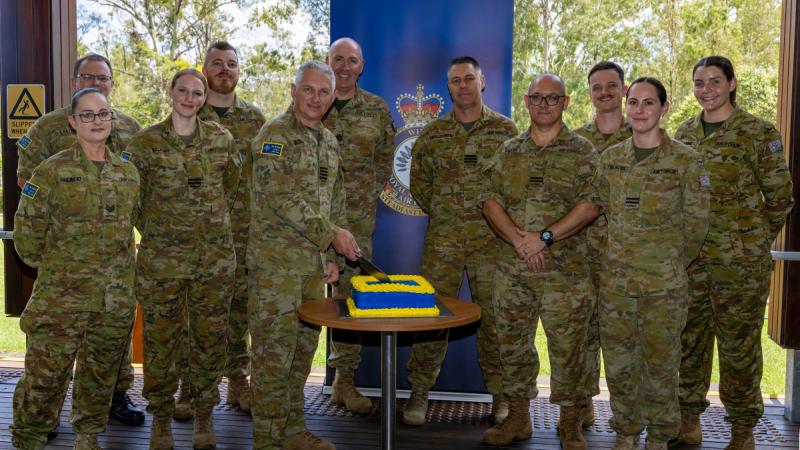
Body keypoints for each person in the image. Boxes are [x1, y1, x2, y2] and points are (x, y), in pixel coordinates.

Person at [15, 53, 144, 428]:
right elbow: (28, 183)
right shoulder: (48, 127)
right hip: (67, 258)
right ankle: (46, 414)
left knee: (110, 340)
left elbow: (140, 188)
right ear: (74, 82)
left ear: (112, 84)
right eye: (88, 76)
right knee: (52, 347)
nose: (96, 82)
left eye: (103, 77)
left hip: (114, 260)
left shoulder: (130, 128)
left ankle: (115, 397)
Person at [674, 56, 794, 449]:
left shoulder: (758, 132)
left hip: (739, 268)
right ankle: (688, 422)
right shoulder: (684, 133)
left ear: (731, 84)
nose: (706, 90)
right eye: (699, 82)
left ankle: (742, 431)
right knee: (688, 344)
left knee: (738, 350)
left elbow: (780, 196)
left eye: (714, 81)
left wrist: (752, 240)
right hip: (691, 264)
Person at [248, 60, 360, 450]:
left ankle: (293, 429)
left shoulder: (328, 141)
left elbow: (336, 201)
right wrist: (331, 235)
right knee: (272, 360)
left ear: (332, 97)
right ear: (293, 91)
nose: (315, 98)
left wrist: (333, 256)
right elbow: (280, 198)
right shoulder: (274, 136)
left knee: (300, 356)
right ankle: (266, 440)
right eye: (308, 90)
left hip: (312, 268)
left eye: (323, 92)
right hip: (275, 270)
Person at [480, 73, 596, 449]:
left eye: (552, 97)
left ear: (566, 102)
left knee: (569, 349)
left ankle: (570, 424)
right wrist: (519, 240)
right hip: (513, 269)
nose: (544, 104)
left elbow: (591, 204)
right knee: (512, 345)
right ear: (527, 102)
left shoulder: (583, 151)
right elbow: (489, 200)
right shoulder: (508, 150)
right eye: (537, 97)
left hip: (566, 272)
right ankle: (517, 419)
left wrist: (543, 238)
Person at [127, 68, 241, 450]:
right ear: (171, 92)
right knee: (160, 342)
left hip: (213, 262)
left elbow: (231, 187)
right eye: (183, 90)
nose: (189, 98)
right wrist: (161, 231)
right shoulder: (145, 143)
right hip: (162, 264)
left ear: (204, 98)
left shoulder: (221, 140)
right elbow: (133, 199)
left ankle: (204, 414)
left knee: (210, 340)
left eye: (197, 92)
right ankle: (160, 418)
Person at [404, 56, 518, 426]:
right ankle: (419, 392)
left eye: (469, 79)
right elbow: (420, 184)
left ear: (482, 82)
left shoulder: (505, 131)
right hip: (444, 241)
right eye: (456, 80)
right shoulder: (433, 135)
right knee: (432, 314)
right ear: (449, 86)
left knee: (495, 319)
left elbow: (515, 184)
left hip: (492, 241)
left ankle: (500, 396)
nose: (463, 86)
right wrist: (446, 212)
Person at [186, 40, 266, 417]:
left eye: (231, 64)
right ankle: (190, 384)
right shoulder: (188, 115)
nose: (224, 70)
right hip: (198, 235)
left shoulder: (256, 120)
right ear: (205, 70)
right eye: (217, 63)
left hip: (245, 233)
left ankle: (238, 380)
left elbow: (267, 177)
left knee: (240, 311)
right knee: (196, 311)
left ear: (238, 71)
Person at [322, 37, 396, 414]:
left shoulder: (377, 109)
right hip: (312, 220)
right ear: (328, 62)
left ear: (362, 66)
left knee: (350, 298)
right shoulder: (313, 102)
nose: (345, 67)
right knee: (304, 298)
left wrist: (364, 193)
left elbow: (386, 158)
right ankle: (287, 384)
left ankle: (344, 381)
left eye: (352, 60)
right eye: (338, 59)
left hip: (356, 222)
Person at [573, 60, 632, 428]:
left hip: (627, 261)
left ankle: (626, 416)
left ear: (624, 90)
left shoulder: (643, 135)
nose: (604, 93)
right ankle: (582, 404)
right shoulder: (576, 141)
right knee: (582, 334)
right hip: (580, 256)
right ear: (590, 93)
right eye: (597, 87)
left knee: (624, 338)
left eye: (611, 86)